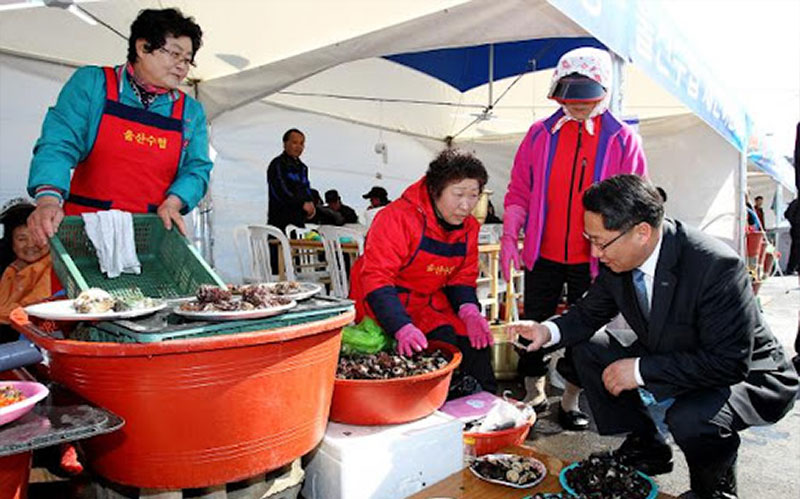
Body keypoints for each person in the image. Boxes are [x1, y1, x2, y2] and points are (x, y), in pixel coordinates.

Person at [510, 175, 798, 499]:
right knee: (589, 348)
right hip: (678, 352)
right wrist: (546, 330)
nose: (594, 252)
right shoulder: (618, 259)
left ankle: (715, 486)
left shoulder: (716, 266)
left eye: (600, 242)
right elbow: (588, 314)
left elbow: (729, 363)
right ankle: (648, 445)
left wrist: (640, 370)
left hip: (747, 373)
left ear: (642, 233)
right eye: (588, 239)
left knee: (690, 417)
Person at [501, 46, 647, 430]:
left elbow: (636, 204)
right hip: (544, 254)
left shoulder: (623, 141)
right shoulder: (539, 134)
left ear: (605, 90)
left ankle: (570, 397)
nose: (577, 105)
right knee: (531, 324)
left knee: (586, 333)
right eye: (569, 97)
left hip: (596, 258)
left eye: (586, 97)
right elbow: (519, 190)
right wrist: (510, 232)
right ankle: (533, 391)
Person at [26, 8, 211, 246]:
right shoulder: (92, 85)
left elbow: (197, 168)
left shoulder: (190, 112)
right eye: (174, 55)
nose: (182, 67)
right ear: (142, 47)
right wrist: (48, 200)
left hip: (151, 238)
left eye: (187, 60)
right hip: (84, 232)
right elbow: (58, 144)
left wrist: (175, 201)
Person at [349, 150, 497, 394]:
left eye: (474, 196)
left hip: (427, 299)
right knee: (440, 347)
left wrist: (469, 310)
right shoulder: (397, 217)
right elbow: (377, 278)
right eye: (458, 194)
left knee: (474, 344)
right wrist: (400, 326)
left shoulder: (469, 227)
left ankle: (488, 408)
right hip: (384, 301)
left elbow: (462, 277)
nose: (466, 205)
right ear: (435, 189)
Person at [0, 200, 51, 342]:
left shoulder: (52, 267)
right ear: (11, 242)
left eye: (37, 237)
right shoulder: (12, 267)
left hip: (32, 336)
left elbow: (32, 308)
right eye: (22, 239)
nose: (31, 245)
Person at [267, 128, 315, 230]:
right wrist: (301, 204)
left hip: (298, 222)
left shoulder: (302, 167)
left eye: (301, 143)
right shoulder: (278, 165)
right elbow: (281, 191)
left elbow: (306, 189)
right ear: (285, 144)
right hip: (280, 222)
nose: (299, 147)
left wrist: (311, 205)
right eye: (294, 143)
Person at [785, 197, 800, 274]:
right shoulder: (796, 202)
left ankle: (793, 268)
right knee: (796, 249)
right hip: (797, 230)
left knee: (795, 249)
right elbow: (787, 214)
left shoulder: (795, 202)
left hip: (796, 229)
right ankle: (791, 268)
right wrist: (795, 223)